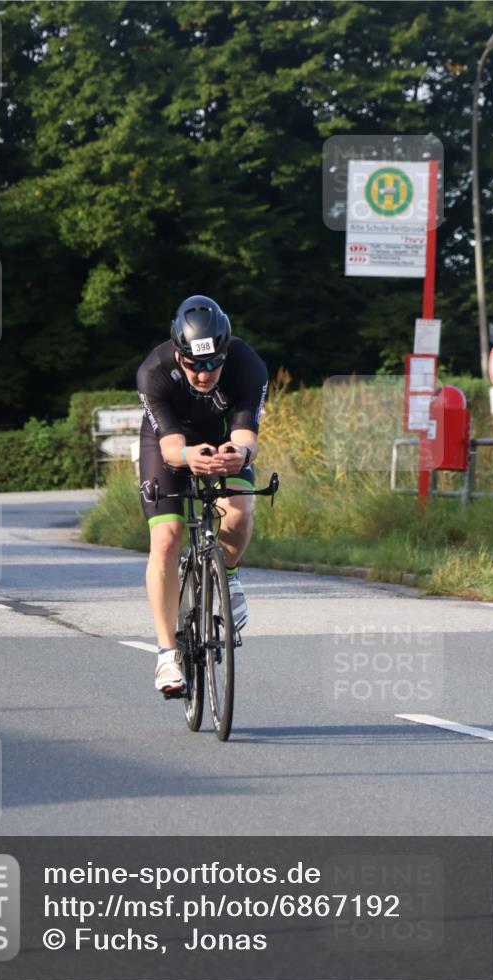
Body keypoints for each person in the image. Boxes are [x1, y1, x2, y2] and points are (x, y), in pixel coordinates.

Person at [136, 294, 269, 696]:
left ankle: (228, 576)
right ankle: (165, 654)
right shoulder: (153, 371)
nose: (203, 373)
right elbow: (171, 447)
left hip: (222, 440)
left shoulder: (248, 366)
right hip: (170, 444)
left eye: (213, 363)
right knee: (167, 538)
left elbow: (247, 434)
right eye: (194, 364)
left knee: (240, 512)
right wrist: (188, 456)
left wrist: (240, 453)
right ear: (179, 355)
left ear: (226, 352)